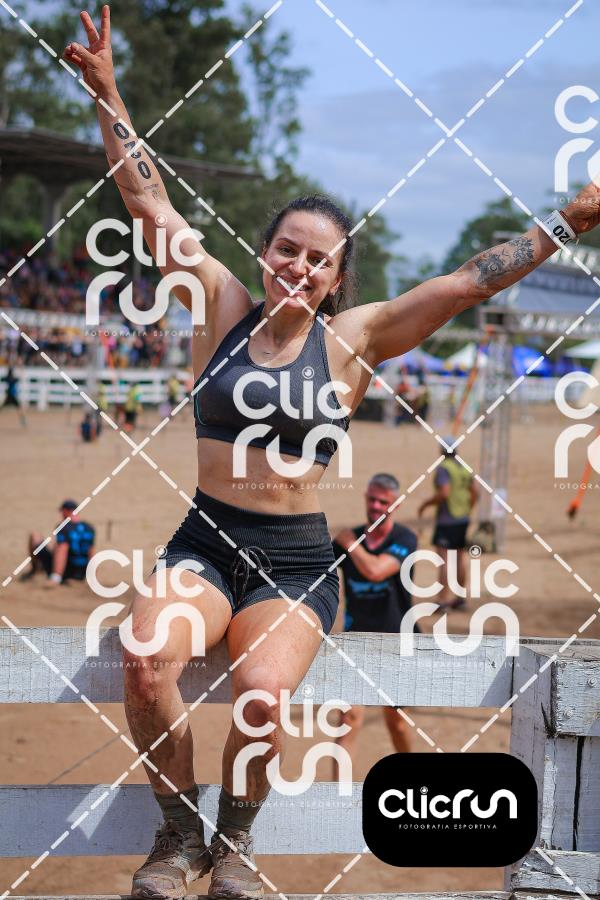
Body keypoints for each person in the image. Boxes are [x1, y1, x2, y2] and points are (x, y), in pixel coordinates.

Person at [63, 9, 600, 898]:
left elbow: (467, 282)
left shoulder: (354, 340)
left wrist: (571, 220)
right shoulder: (217, 303)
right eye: (288, 250)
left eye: (319, 261)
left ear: (337, 277)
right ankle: (178, 837)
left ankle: (234, 843)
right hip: (206, 541)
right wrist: (109, 92)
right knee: (146, 659)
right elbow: (148, 204)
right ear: (264, 251)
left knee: (263, 698)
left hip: (296, 561)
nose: (299, 268)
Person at [331, 473, 418, 769]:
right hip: (355, 642)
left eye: (383, 501)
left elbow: (376, 571)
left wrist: (349, 542)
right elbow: (319, 572)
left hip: (396, 643)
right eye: (372, 499)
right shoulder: (350, 540)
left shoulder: (405, 539)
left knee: (397, 724)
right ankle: (338, 794)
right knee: (348, 720)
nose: (376, 506)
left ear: (395, 505)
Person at [418, 439, 479, 609]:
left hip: (447, 519)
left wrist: (426, 504)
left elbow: (444, 493)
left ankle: (443, 600)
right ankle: (460, 598)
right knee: (459, 558)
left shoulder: (444, 468)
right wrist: (468, 508)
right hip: (463, 518)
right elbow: (475, 491)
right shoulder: (464, 467)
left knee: (444, 560)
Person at [25, 499, 95, 586]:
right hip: (81, 573)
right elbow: (91, 553)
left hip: (65, 572)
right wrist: (92, 578)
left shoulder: (63, 527)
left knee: (35, 536)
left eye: (62, 512)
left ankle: (35, 570)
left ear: (66, 511)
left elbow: (62, 550)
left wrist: (56, 577)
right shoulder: (89, 527)